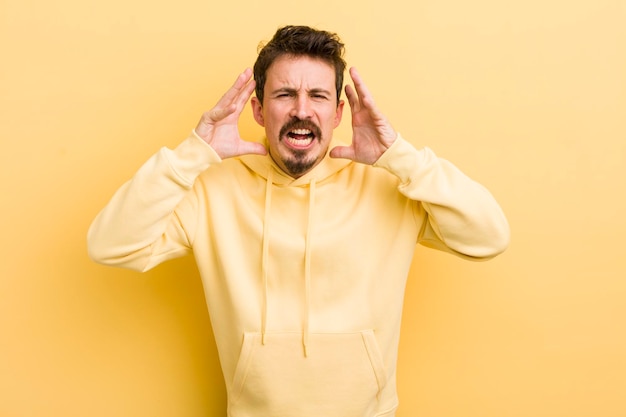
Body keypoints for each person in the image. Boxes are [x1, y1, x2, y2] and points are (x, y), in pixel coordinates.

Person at [88, 25, 509, 417]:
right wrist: (191, 154)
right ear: (258, 109)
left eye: (319, 96)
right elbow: (110, 243)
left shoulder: (389, 185)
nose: (301, 110)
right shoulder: (212, 190)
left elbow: (489, 236)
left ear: (339, 112)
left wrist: (400, 156)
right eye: (285, 94)